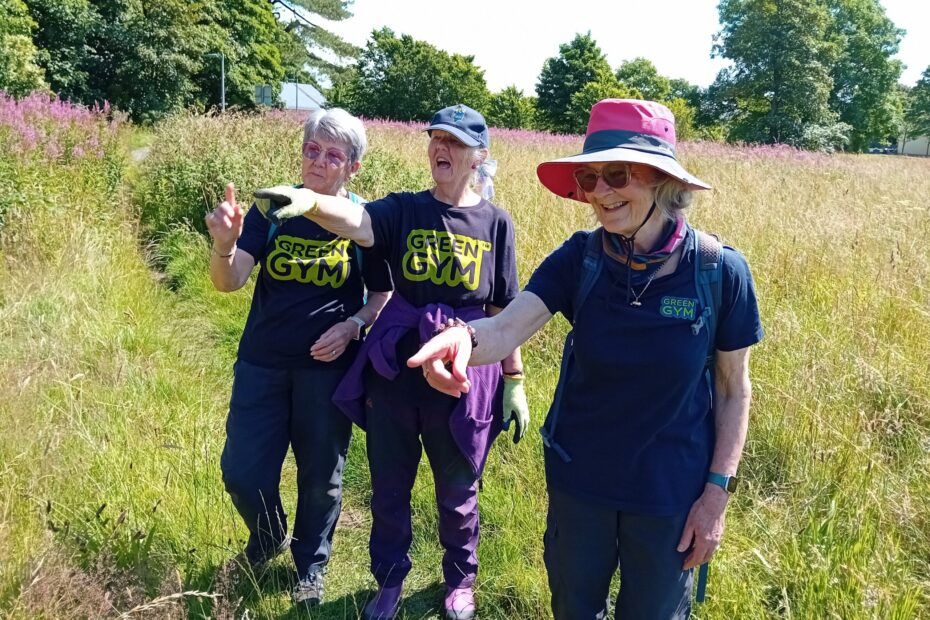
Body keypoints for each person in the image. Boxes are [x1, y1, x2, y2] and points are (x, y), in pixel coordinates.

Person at [407, 99, 765, 619]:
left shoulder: (719, 271)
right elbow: (507, 327)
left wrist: (716, 496)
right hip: (582, 484)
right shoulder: (580, 258)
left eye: (616, 174)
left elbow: (735, 390)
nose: (599, 192)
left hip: (671, 494)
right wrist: (463, 338)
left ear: (662, 180)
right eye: (590, 177)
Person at [251, 104, 529, 620]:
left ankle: (460, 580)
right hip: (396, 370)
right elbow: (358, 222)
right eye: (436, 139)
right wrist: (312, 201)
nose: (441, 149)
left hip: (463, 376)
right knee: (389, 487)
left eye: (455, 142)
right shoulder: (404, 208)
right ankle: (389, 580)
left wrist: (514, 378)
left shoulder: (496, 222)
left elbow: (502, 310)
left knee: (458, 487)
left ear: (479, 156)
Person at [205, 107, 392, 605]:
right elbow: (230, 282)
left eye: (333, 155)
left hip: (327, 371)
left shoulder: (364, 222)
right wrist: (223, 246)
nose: (318, 161)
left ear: (353, 166)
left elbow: (383, 295)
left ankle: (311, 564)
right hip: (262, 362)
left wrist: (353, 327)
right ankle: (268, 537)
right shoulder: (273, 208)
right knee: (241, 470)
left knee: (321, 476)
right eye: (312, 149)